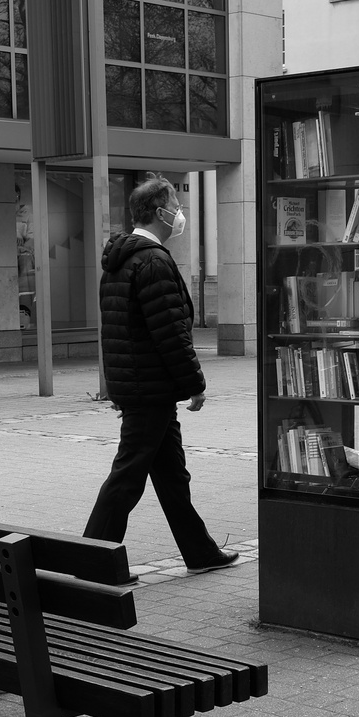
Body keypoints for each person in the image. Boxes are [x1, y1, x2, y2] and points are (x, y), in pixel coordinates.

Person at [83, 175, 239, 576]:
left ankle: (200, 553)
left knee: (171, 476)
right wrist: (195, 384)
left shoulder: (122, 260)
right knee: (127, 477)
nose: (180, 214)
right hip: (148, 387)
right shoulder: (152, 261)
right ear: (159, 212)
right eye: (176, 205)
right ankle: (93, 563)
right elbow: (169, 331)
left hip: (137, 383)